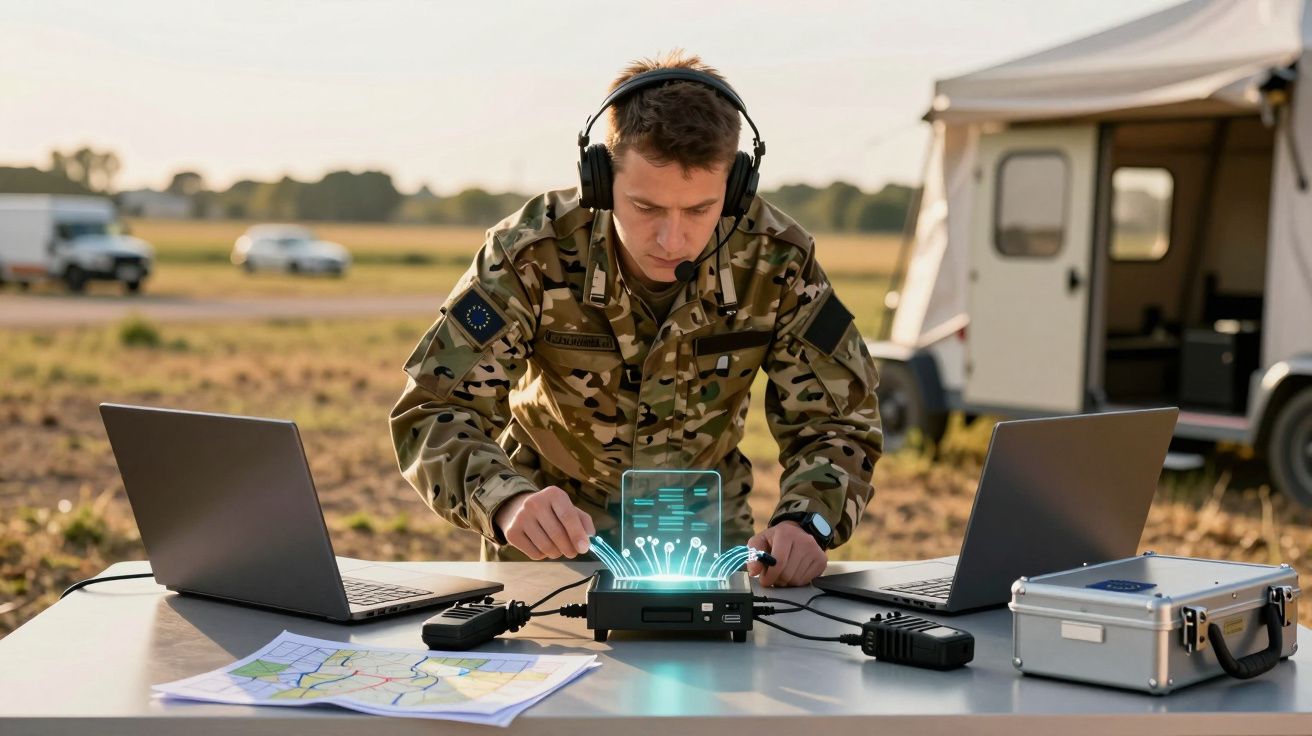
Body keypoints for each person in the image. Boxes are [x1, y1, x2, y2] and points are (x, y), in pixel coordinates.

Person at [391, 51, 882, 587]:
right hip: (551, 543)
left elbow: (840, 423)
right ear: (600, 180)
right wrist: (506, 502)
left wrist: (806, 521)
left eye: (699, 209)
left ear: (736, 187)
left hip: (707, 547)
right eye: (646, 208)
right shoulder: (531, 253)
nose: (673, 239)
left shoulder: (779, 260)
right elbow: (433, 409)